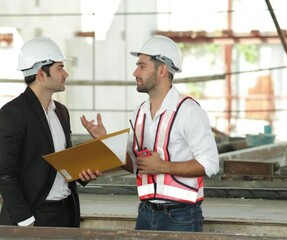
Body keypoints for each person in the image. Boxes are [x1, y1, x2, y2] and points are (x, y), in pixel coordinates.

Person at [81, 35, 220, 232]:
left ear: (162, 69)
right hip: (145, 213)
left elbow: (211, 164)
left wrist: (163, 166)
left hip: (181, 217)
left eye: (142, 66)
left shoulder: (188, 111)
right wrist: (106, 141)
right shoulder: (140, 112)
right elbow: (137, 166)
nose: (135, 72)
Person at [0, 37, 101, 228]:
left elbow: (60, 165)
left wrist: (82, 173)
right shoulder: (13, 113)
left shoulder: (61, 111)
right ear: (41, 73)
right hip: (33, 216)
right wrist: (25, 221)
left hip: (66, 212)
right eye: (60, 68)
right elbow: (4, 173)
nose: (66, 73)